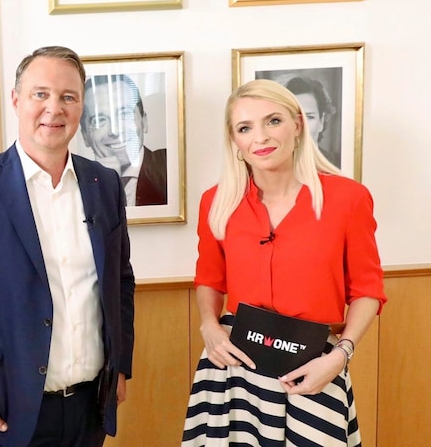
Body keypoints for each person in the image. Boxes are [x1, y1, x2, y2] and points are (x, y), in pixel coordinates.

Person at [0, 46, 135, 447]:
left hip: (90, 406)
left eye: (68, 96)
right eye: (40, 94)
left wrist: (120, 364)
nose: (54, 108)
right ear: (16, 100)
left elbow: (120, 281)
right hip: (4, 411)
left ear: (81, 105)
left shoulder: (103, 184)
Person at [181, 79, 386, 446]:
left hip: (314, 367)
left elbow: (367, 289)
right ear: (235, 142)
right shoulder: (216, 201)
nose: (260, 137)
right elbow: (209, 278)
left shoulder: (348, 198)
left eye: (272, 121)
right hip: (234, 366)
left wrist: (340, 356)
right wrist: (209, 328)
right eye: (245, 128)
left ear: (297, 124)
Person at [80, 74, 167, 206]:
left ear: (144, 121)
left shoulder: (167, 166)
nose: (114, 131)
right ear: (85, 136)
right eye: (99, 120)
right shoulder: (75, 185)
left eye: (124, 114)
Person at [278, 73, 340, 168]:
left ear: (321, 122)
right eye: (291, 117)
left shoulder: (339, 164)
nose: (300, 126)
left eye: (309, 117)